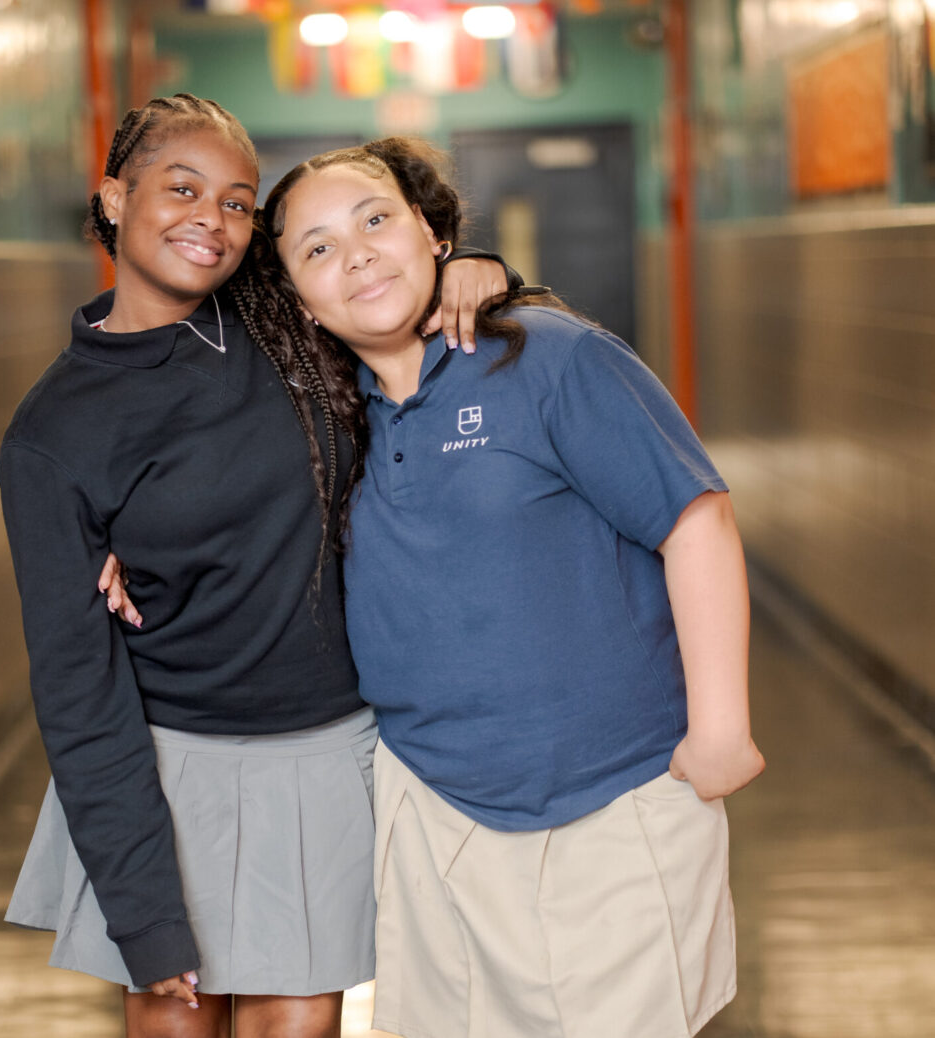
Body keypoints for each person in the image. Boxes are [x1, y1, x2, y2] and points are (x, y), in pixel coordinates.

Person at [0, 97, 510, 1038]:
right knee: (174, 1017)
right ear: (114, 197)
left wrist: (476, 268)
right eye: (181, 188)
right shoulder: (53, 434)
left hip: (328, 748)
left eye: (238, 203)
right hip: (167, 767)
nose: (212, 219)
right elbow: (76, 689)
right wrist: (145, 911)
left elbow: (386, 275)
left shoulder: (282, 318)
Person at [256, 138, 766, 1038]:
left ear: (430, 231)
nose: (359, 254)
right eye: (319, 247)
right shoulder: (326, 422)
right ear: (301, 298)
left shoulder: (549, 358)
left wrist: (721, 730)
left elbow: (697, 521)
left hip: (612, 798)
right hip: (432, 813)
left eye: (376, 220)